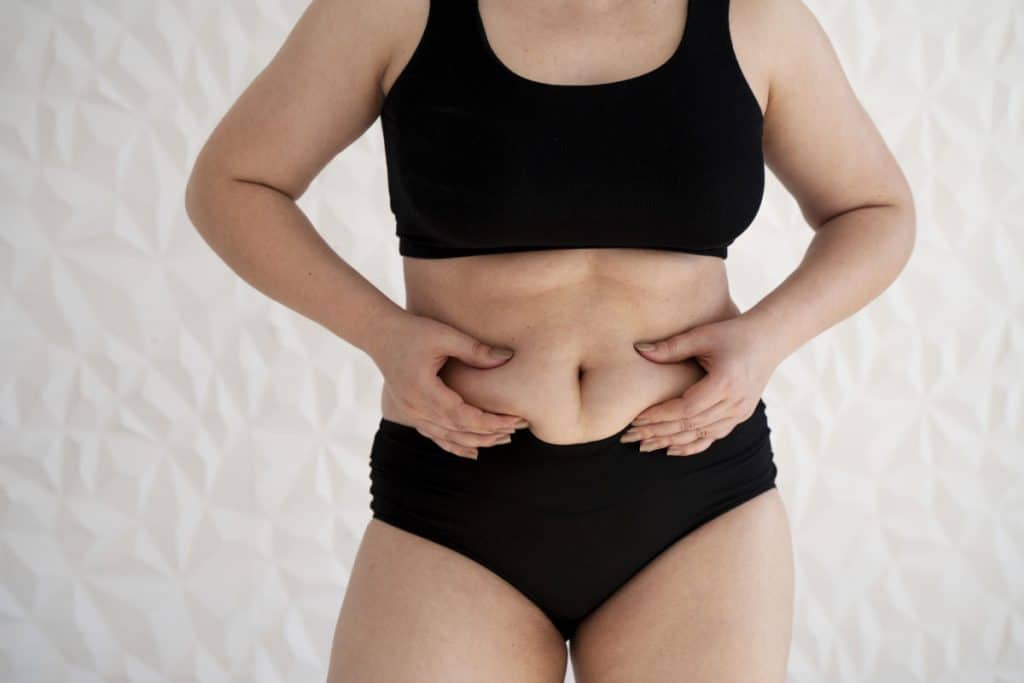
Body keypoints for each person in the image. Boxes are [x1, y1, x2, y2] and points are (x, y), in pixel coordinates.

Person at [184, 0, 915, 679]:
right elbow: (232, 183)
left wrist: (766, 338)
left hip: (697, 499)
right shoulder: (390, 8)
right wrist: (380, 331)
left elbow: (876, 210)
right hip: (456, 494)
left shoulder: (756, 16)